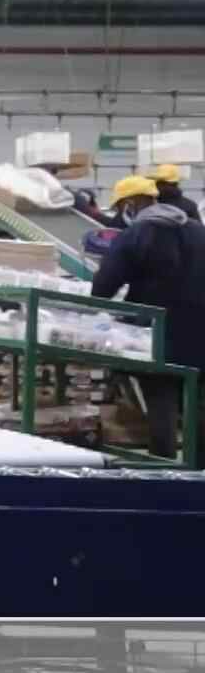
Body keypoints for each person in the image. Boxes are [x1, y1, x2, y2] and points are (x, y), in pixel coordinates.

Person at [93, 176, 205, 460]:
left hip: (158, 331)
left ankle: (163, 462)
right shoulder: (198, 231)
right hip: (201, 331)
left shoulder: (137, 234)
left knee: (161, 393)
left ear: (129, 204)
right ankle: (199, 466)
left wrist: (96, 306)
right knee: (198, 397)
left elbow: (105, 285)